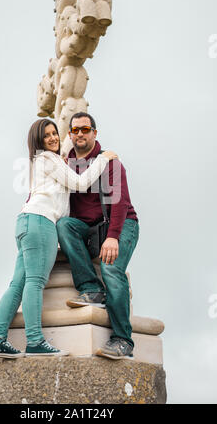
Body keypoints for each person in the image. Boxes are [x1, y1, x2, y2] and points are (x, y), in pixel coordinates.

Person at [0, 118, 118, 359]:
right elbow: (79, 183)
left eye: (55, 133)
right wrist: (103, 158)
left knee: (17, 285)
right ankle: (35, 341)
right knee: (35, 282)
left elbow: (66, 145)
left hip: (25, 222)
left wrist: (73, 130)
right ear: (39, 141)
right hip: (41, 221)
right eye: (47, 135)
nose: (53, 138)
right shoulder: (48, 159)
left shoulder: (43, 161)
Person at [56, 112, 139, 360]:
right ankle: (92, 289)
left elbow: (120, 203)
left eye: (85, 129)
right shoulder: (65, 165)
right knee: (64, 225)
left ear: (94, 132)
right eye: (75, 130)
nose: (80, 134)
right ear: (70, 135)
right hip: (88, 229)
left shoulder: (110, 163)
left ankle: (123, 339)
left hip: (121, 224)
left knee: (111, 268)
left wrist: (113, 237)